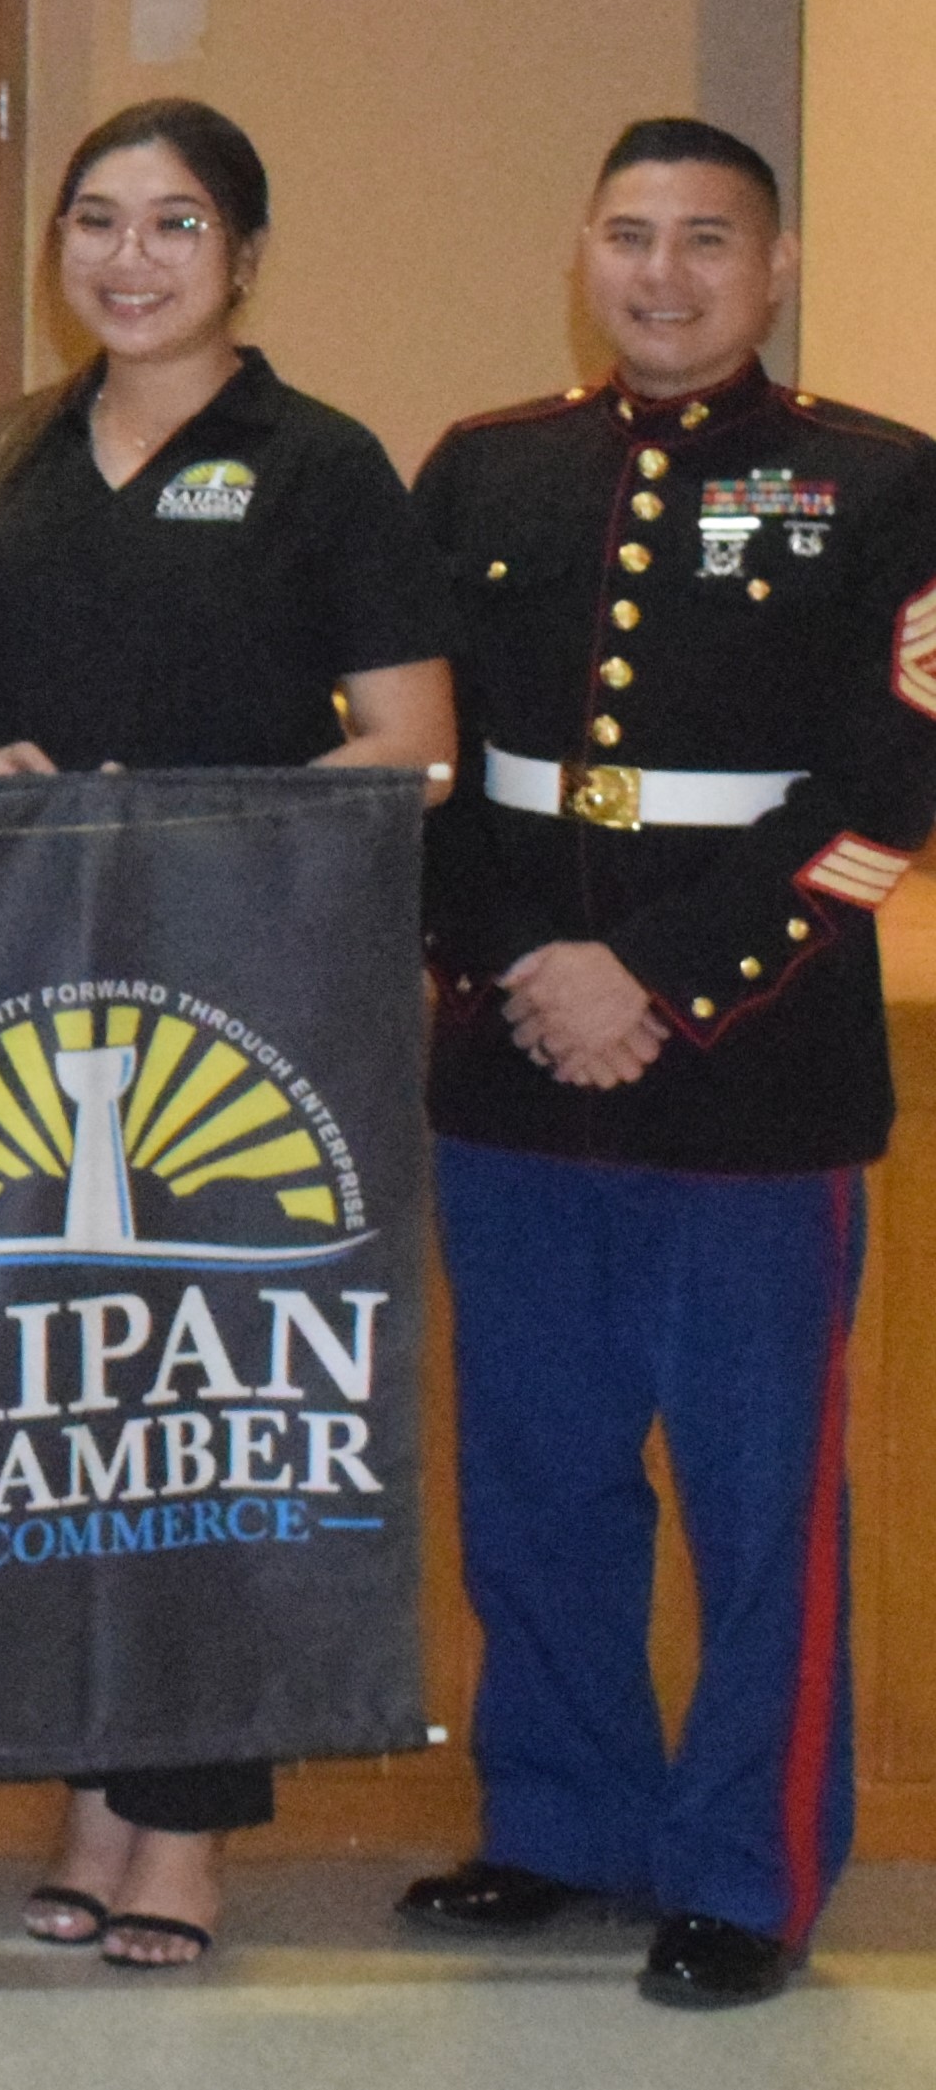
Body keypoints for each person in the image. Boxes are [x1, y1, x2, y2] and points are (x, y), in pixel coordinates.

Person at [0, 95, 458, 1972]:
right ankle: (89, 1797)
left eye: (170, 224)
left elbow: (411, 742)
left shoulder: (319, 466)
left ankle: (187, 1827)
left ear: (242, 255)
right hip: (24, 1000)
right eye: (92, 220)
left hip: (248, 1003)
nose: (123, 260)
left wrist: (210, 820)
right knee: (59, 1408)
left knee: (207, 1407)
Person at [392, 119, 930, 2012]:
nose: (662, 272)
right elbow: (419, 760)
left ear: (770, 269)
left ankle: (741, 1870)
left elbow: (885, 797)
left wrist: (658, 981)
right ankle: (559, 1827)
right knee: (535, 1484)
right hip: (514, 1057)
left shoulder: (880, 480)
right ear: (580, 255)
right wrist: (518, 968)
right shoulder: (484, 467)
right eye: (628, 234)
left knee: (756, 1505)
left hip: (751, 1079)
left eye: (706, 239)